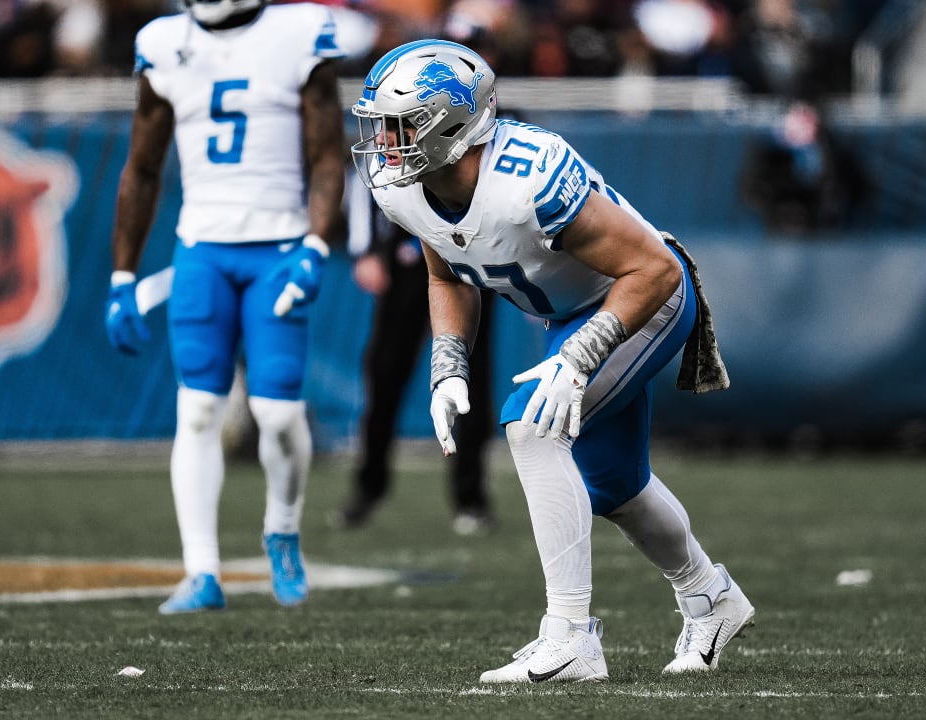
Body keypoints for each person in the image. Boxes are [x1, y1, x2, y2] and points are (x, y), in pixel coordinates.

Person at [349, 39, 753, 682]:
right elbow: (448, 274)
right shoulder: (402, 189)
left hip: (643, 300)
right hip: (568, 317)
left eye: (399, 126)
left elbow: (651, 269)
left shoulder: (529, 175)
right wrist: (448, 366)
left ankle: (570, 636)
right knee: (617, 487)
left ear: (451, 124)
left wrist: (579, 357)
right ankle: (711, 597)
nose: (384, 142)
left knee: (530, 424)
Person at [104, 0, 346, 613]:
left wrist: (317, 244)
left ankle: (282, 529)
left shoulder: (297, 31)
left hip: (280, 246)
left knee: (278, 413)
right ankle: (200, 570)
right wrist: (121, 275)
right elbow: (142, 166)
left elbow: (327, 153)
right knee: (197, 410)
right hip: (202, 251)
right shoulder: (163, 42)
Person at [336, 168, 498, 536]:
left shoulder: (494, 123)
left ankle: (470, 497)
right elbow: (371, 174)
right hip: (405, 262)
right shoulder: (392, 129)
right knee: (385, 375)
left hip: (468, 256)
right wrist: (367, 250)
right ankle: (369, 485)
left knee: (470, 381)